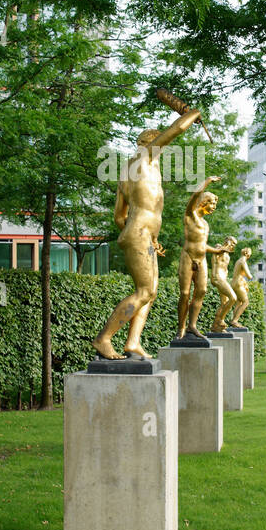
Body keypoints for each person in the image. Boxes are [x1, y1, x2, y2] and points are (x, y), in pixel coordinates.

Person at [91, 99, 202, 360]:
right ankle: (104, 338)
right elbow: (175, 130)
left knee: (150, 292)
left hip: (140, 235)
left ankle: (133, 343)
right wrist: (193, 113)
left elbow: (120, 216)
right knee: (144, 291)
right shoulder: (145, 159)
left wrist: (145, 235)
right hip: (139, 234)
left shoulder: (128, 174)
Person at [177, 176, 235, 339]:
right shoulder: (190, 215)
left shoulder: (206, 224)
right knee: (185, 294)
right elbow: (195, 195)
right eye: (212, 203)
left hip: (201, 259)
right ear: (203, 202)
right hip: (188, 258)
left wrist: (219, 250)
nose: (214, 207)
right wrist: (208, 181)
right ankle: (181, 327)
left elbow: (202, 245)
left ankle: (192, 326)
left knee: (201, 291)